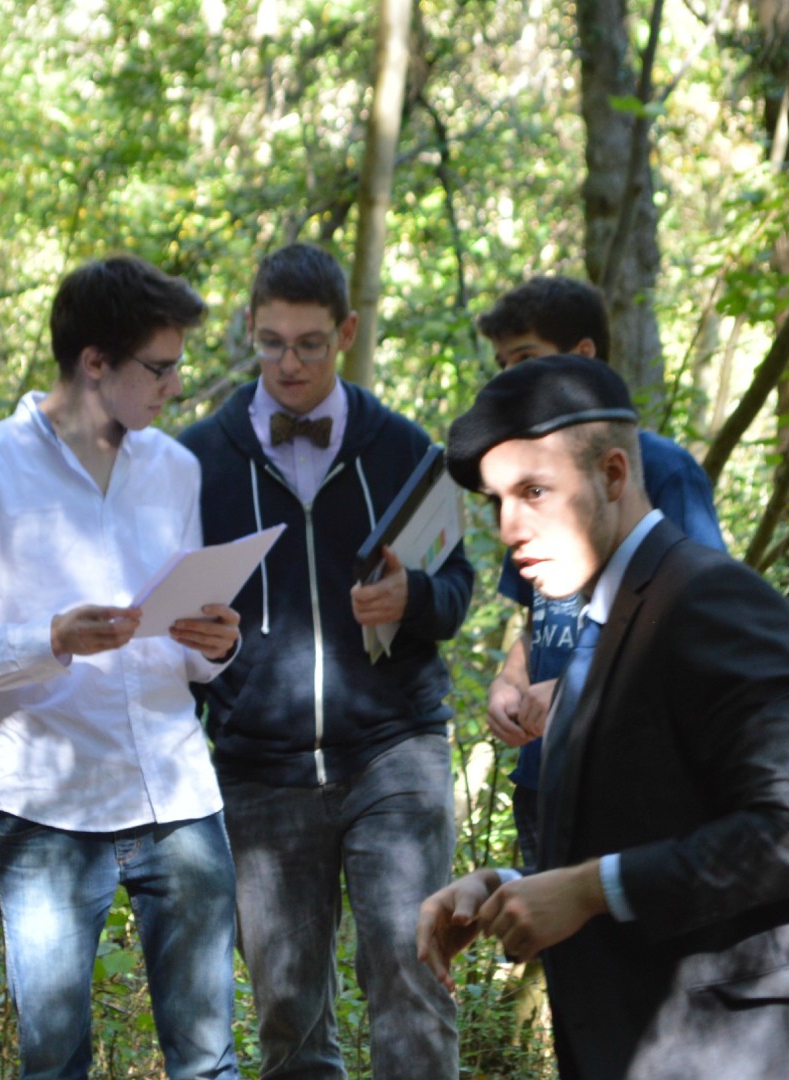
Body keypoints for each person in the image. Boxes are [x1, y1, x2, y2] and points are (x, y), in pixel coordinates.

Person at [418, 355, 789, 1079]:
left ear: (613, 475)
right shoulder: (607, 621)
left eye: (535, 491)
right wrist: (509, 887)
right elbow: (646, 830)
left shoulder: (712, 604)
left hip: (755, 1053)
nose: (509, 528)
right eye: (496, 501)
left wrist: (582, 890)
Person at [0, 256, 244, 1080]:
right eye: (159, 367)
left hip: (179, 798)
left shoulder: (175, 468)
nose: (174, 386)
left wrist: (218, 645)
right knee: (55, 1065)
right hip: (48, 817)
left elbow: (183, 636)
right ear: (94, 362)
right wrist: (50, 637)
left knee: (209, 1061)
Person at [178, 242, 474, 1080]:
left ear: (345, 333)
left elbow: (458, 592)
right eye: (271, 342)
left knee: (412, 978)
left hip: (394, 751)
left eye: (309, 343)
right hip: (257, 765)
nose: (288, 363)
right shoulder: (193, 460)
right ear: (248, 330)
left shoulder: (408, 452)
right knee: (287, 1013)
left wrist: (411, 596)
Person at [474, 275, 727, 866]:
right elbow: (538, 620)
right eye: (502, 364)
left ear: (583, 356)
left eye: (526, 359)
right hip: (546, 775)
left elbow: (690, 622)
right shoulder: (527, 488)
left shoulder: (658, 469)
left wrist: (576, 691)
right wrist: (510, 682)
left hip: (628, 775)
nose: (510, 378)